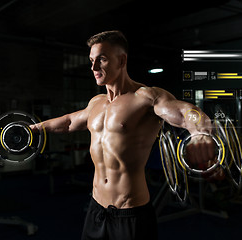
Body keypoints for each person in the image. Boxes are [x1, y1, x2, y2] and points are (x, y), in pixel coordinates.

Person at [30, 30, 215, 240]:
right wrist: (35, 128)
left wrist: (200, 133)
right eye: (91, 60)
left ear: (122, 60)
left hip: (131, 213)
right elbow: (69, 122)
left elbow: (186, 112)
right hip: (96, 209)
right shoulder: (96, 104)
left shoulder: (146, 97)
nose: (93, 67)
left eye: (102, 59)